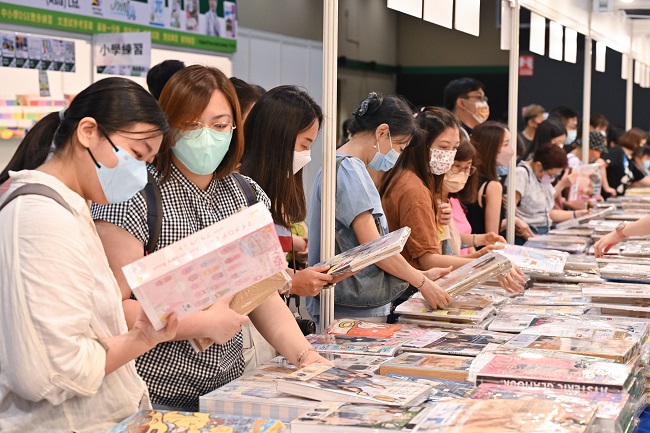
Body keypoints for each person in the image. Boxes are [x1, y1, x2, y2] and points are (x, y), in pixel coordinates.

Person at [91, 66, 327, 412]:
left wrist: (305, 355)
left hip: (229, 390)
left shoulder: (247, 196)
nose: (206, 136)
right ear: (168, 125)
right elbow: (112, 306)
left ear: (235, 127)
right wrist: (199, 324)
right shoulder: (134, 197)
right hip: (153, 395)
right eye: (190, 124)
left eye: (219, 125)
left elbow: (260, 292)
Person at [0, 78, 178, 432]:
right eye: (136, 155)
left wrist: (143, 335)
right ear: (88, 131)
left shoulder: (70, 207)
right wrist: (138, 340)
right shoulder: (41, 218)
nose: (139, 174)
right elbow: (50, 372)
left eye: (148, 162)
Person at [307, 93, 454, 324]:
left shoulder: (345, 166)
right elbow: (374, 249)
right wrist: (422, 282)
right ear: (382, 132)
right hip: (353, 308)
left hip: (355, 303)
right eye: (400, 146)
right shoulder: (349, 170)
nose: (398, 154)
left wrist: (420, 276)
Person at [241, 85, 338, 296]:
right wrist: (291, 281)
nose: (307, 155)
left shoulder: (274, 189)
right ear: (278, 138)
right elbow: (243, 274)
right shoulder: (239, 191)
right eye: (304, 146)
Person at [440, 138, 505, 257]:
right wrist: (478, 256)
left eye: (466, 168)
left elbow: (457, 238)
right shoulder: (434, 203)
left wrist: (480, 240)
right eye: (456, 166)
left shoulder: (454, 200)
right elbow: (442, 254)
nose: (462, 173)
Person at [513, 143, 589, 244]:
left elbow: (546, 211)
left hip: (542, 233)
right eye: (551, 174)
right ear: (539, 165)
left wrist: (579, 214)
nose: (552, 178)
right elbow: (511, 210)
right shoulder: (521, 174)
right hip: (526, 235)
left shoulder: (543, 179)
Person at [604, 127, 650, 197]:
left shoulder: (628, 161)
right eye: (641, 144)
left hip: (617, 198)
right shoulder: (617, 152)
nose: (641, 147)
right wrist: (606, 187)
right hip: (608, 197)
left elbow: (642, 178)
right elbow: (601, 164)